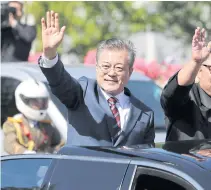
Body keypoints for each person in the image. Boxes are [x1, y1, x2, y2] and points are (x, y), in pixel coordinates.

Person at [38, 11, 155, 147]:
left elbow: (148, 157)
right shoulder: (82, 93)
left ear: (130, 71)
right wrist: (50, 54)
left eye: (118, 68)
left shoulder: (145, 114)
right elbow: (60, 81)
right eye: (106, 66)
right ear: (97, 67)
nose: (111, 73)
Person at [2, 79, 62, 154]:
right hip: (23, 163)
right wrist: (24, 152)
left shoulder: (46, 124)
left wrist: (58, 150)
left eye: (43, 102)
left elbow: (58, 142)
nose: (40, 106)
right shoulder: (13, 124)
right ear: (24, 101)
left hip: (45, 163)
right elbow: (9, 144)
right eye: (36, 102)